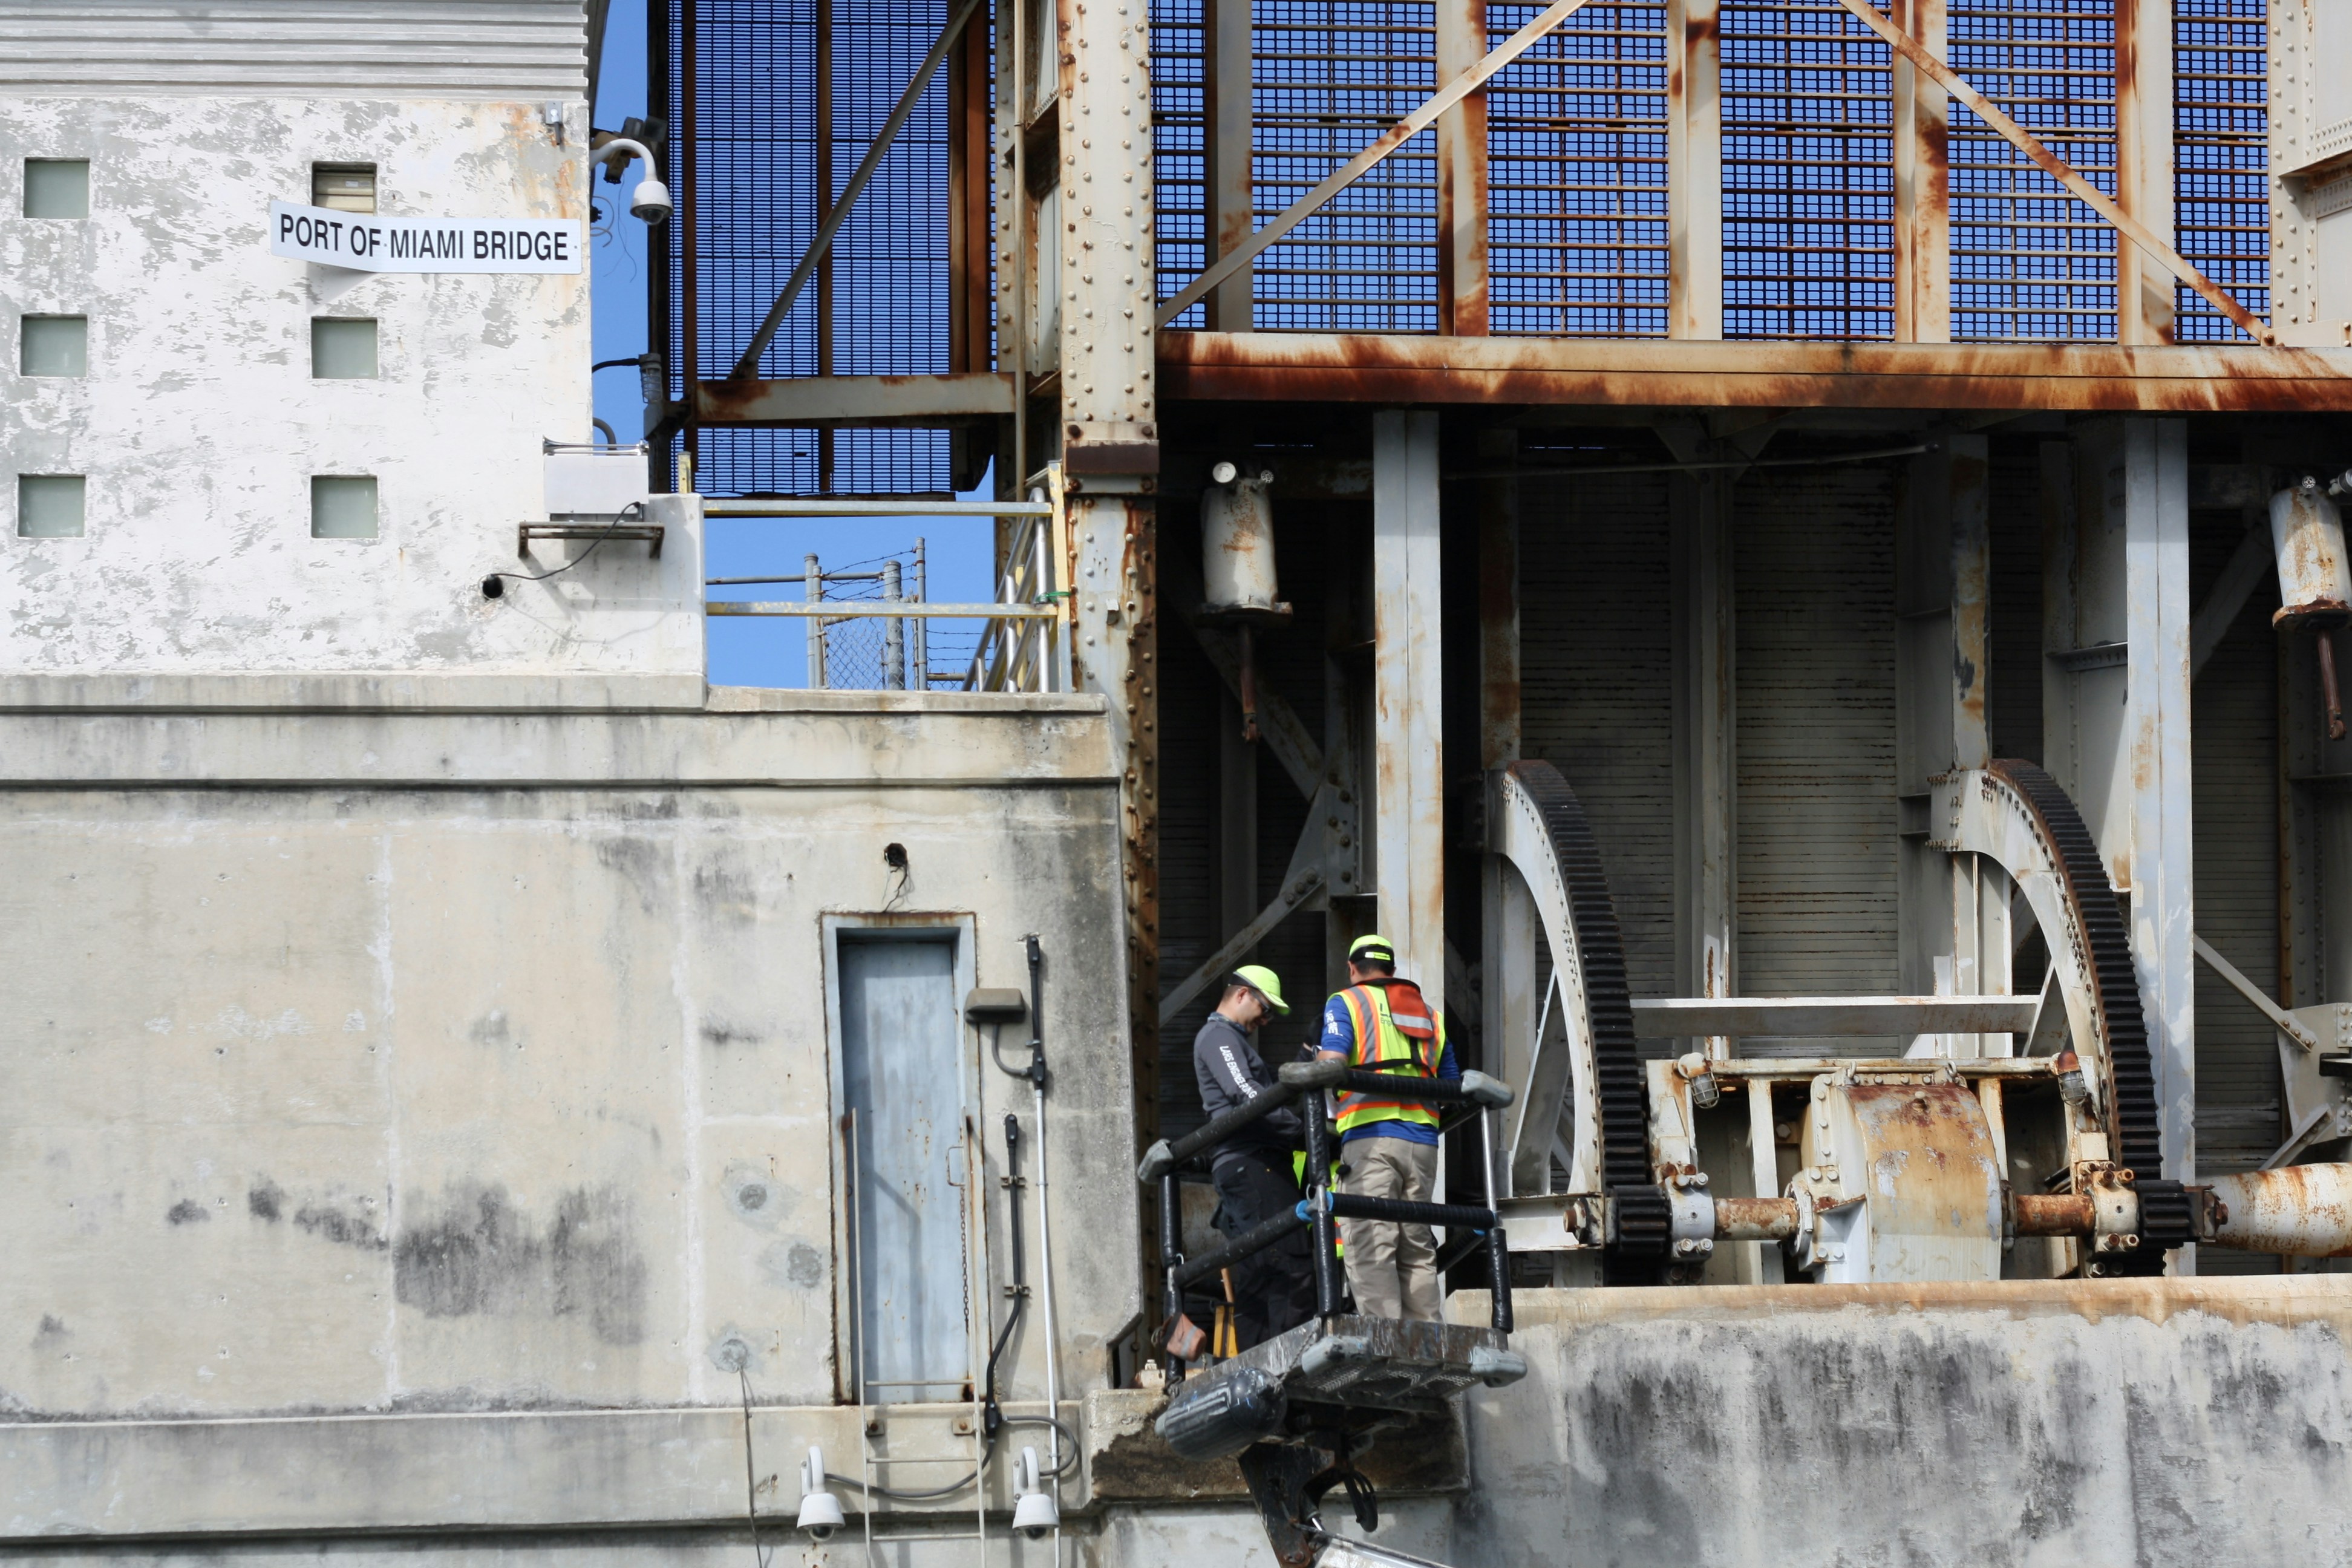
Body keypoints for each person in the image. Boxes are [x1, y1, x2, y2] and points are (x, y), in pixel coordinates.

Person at [1317, 933, 1459, 1321]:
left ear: (1352, 968)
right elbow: (1451, 1086)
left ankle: (1388, 1345)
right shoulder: (1431, 1015)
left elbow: (1330, 1063)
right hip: (1424, 1145)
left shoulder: (1346, 1002)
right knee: (1415, 1246)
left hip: (1370, 1138)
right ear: (1393, 972)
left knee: (1371, 1244)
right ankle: (1429, 1341)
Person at [1191, 963, 1316, 1348]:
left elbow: (1260, 1095)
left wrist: (1306, 1057)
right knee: (1288, 1265)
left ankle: (1263, 1363)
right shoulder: (1218, 1037)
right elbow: (1245, 1093)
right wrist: (1303, 1133)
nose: (1266, 1019)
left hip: (1251, 1165)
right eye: (1265, 1008)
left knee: (1262, 1267)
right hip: (1254, 1163)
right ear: (1242, 994)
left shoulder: (1228, 1040)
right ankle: (1286, 1362)